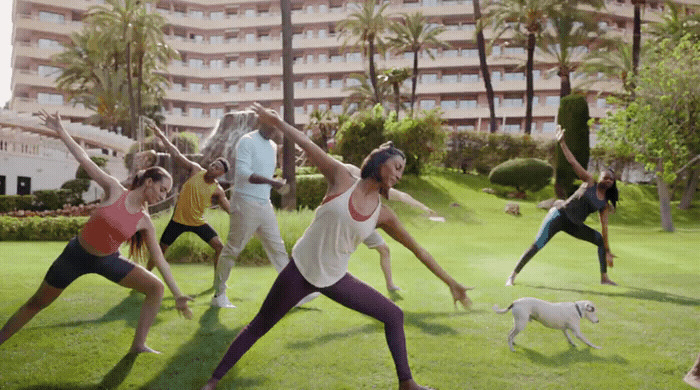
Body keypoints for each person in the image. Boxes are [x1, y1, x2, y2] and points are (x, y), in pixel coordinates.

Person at [200, 103, 471, 390]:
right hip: (300, 271)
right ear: (381, 162)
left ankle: (407, 384)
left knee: (394, 315)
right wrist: (277, 122)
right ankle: (213, 382)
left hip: (336, 278)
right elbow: (306, 142)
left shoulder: (384, 214)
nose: (399, 175)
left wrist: (451, 282)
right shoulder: (341, 178)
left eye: (402, 171)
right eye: (397, 167)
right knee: (260, 325)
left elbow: (419, 251)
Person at [0, 111, 193, 354]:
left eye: (167, 193)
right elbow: (84, 159)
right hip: (75, 255)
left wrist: (178, 295)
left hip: (107, 261)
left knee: (155, 288)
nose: (163, 197)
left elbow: (160, 261)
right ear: (149, 182)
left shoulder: (145, 221)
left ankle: (138, 345)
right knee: (37, 303)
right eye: (163, 189)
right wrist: (60, 131)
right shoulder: (114, 189)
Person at [505, 125, 619, 287]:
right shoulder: (589, 182)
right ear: (599, 177)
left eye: (611, 180)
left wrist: (607, 250)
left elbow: (604, 227)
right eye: (605, 177)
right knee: (537, 245)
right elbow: (573, 162)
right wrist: (562, 143)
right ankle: (512, 276)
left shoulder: (604, 204)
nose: (607, 180)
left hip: (575, 225)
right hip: (559, 215)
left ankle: (604, 278)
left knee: (599, 239)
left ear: (613, 183)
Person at [211, 113, 290, 308]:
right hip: (244, 202)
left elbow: (264, 173)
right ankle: (218, 295)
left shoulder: (272, 147)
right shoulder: (247, 141)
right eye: (272, 125)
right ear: (262, 123)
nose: (276, 129)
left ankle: (294, 292)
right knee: (232, 249)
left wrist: (273, 180)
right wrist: (272, 182)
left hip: (265, 204)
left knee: (278, 249)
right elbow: (244, 173)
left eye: (277, 126)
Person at [145, 122, 231, 281]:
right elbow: (176, 154)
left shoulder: (217, 190)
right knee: (160, 250)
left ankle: (218, 282)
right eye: (214, 163)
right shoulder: (195, 170)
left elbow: (228, 208)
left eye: (217, 167)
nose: (213, 166)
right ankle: (145, 277)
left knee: (219, 246)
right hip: (178, 220)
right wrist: (160, 134)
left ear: (220, 173)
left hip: (198, 222)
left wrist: (243, 216)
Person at [345, 163, 440, 292]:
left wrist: (423, 207)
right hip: (348, 222)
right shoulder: (354, 173)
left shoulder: (374, 183)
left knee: (384, 250)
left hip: (364, 222)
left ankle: (390, 285)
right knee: (340, 253)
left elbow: (402, 196)